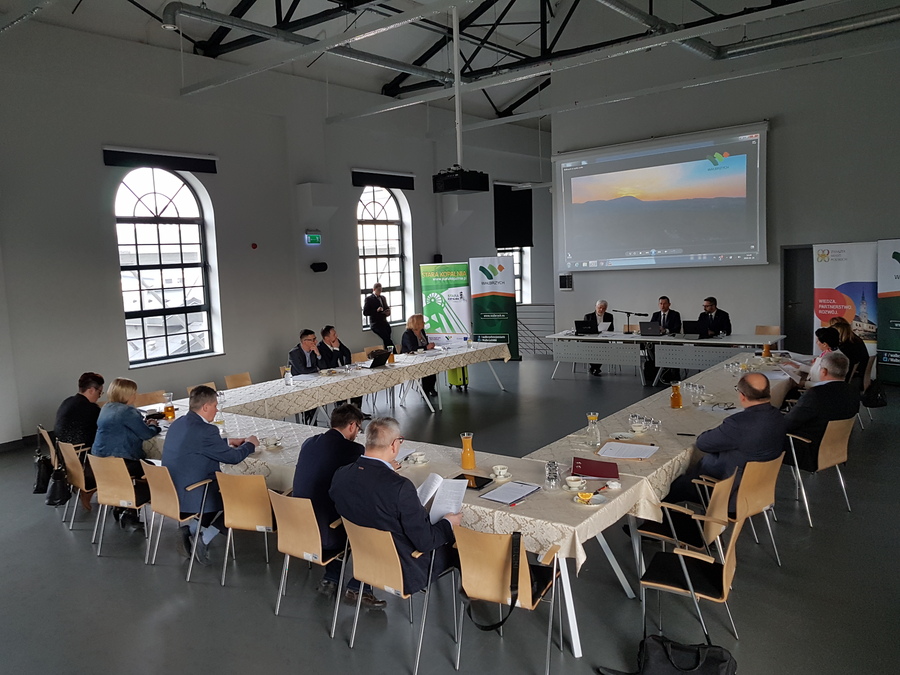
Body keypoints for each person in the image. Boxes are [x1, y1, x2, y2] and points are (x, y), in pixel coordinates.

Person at [330, 417, 461, 596]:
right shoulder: (400, 487)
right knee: (460, 548)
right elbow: (425, 542)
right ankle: (473, 606)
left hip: (365, 560)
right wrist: (448, 523)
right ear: (393, 445)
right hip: (404, 569)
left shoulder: (341, 474)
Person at [291, 404, 385, 608]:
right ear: (352, 425)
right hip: (325, 535)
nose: (357, 433)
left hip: (298, 530)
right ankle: (359, 587)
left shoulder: (309, 443)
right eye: (358, 428)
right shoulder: (353, 450)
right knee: (368, 523)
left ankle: (331, 578)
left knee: (333, 512)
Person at [162, 386, 259, 565]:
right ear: (205, 407)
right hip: (191, 493)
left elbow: (197, 443)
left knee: (216, 487)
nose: (217, 409)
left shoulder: (179, 423)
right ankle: (204, 538)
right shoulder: (207, 431)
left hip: (171, 490)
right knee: (242, 497)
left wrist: (227, 441)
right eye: (215, 405)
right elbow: (233, 458)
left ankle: (191, 529)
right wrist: (250, 444)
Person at [663, 372, 785, 508]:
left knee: (669, 487)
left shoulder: (738, 424)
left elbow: (702, 443)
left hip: (727, 491)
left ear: (742, 396)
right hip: (757, 490)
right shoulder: (778, 416)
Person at [91, 377, 161, 531]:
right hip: (120, 461)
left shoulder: (106, 407)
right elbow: (146, 434)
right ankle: (131, 510)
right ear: (127, 395)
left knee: (140, 468)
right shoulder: (127, 411)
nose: (136, 395)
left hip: (100, 461)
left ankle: (119, 505)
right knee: (151, 469)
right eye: (134, 393)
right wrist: (154, 426)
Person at [784, 351, 860, 473]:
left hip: (808, 450)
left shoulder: (816, 395)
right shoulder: (853, 391)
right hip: (835, 448)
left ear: (823, 371)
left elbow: (788, 424)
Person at [318, 325, 364, 410]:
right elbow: (330, 366)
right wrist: (335, 349)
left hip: (343, 373)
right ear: (326, 338)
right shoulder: (320, 348)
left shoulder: (336, 341)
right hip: (332, 377)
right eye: (334, 334)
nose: (337, 336)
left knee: (358, 385)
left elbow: (347, 352)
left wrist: (346, 367)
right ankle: (343, 412)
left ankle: (357, 411)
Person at [55, 372, 104, 448]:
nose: (99, 396)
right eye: (99, 393)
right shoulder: (91, 408)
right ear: (91, 390)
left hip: (62, 450)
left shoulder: (67, 401)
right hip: (81, 451)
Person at [289, 329, 323, 424]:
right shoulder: (294, 353)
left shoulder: (314, 350)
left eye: (315, 339)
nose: (315, 341)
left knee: (317, 395)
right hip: (298, 385)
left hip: (313, 381)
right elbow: (302, 370)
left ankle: (312, 419)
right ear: (304, 341)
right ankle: (308, 419)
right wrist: (316, 368)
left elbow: (324, 367)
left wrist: (318, 354)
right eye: (312, 340)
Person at [400, 314, 437, 397]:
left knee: (432, 366)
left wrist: (429, 346)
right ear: (417, 323)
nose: (424, 323)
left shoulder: (422, 331)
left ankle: (431, 388)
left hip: (423, 356)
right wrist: (426, 347)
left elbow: (425, 344)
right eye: (422, 321)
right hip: (410, 358)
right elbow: (412, 348)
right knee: (426, 367)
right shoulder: (407, 334)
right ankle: (425, 390)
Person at [647, 296, 682, 383]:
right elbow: (651, 327)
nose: (662, 306)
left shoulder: (675, 314)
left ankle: (671, 372)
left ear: (669, 304)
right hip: (658, 340)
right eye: (661, 304)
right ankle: (655, 369)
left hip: (671, 340)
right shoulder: (655, 315)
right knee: (649, 347)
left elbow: (677, 328)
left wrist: (665, 330)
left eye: (665, 304)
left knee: (672, 348)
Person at [829, 317, 870, 386]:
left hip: (849, 378)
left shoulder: (845, 345)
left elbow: (837, 363)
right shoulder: (855, 339)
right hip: (858, 375)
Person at [584, 299, 614, 376]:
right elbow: (585, 330)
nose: (601, 310)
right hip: (591, 339)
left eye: (604, 308)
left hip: (603, 338)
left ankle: (594, 368)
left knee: (604, 348)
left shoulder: (609, 316)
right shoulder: (588, 316)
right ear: (596, 307)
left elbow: (611, 329)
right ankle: (596, 368)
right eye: (599, 307)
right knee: (588, 348)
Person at [363, 282, 394, 350]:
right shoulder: (369, 299)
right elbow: (365, 312)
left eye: (381, 290)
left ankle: (388, 352)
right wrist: (376, 310)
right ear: (374, 289)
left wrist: (388, 312)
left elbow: (386, 307)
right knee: (386, 338)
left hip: (384, 321)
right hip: (375, 323)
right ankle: (393, 352)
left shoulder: (383, 298)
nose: (380, 291)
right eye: (378, 290)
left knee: (387, 336)